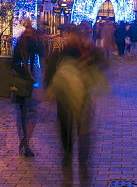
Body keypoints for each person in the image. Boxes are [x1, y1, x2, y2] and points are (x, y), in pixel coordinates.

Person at [45, 27, 107, 171]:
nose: (72, 38)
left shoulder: (86, 51)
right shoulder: (61, 52)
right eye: (70, 35)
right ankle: (68, 154)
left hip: (82, 95)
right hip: (64, 96)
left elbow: (103, 62)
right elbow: (50, 71)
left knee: (82, 127)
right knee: (65, 126)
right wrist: (50, 87)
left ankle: (82, 157)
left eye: (74, 35)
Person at [12, 19, 42, 157]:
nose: (30, 31)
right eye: (28, 29)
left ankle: (25, 142)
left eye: (31, 29)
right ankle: (25, 143)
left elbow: (40, 52)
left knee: (27, 114)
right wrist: (24, 74)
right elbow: (14, 63)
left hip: (27, 82)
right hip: (22, 83)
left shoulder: (29, 43)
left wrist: (37, 39)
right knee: (25, 114)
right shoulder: (21, 44)